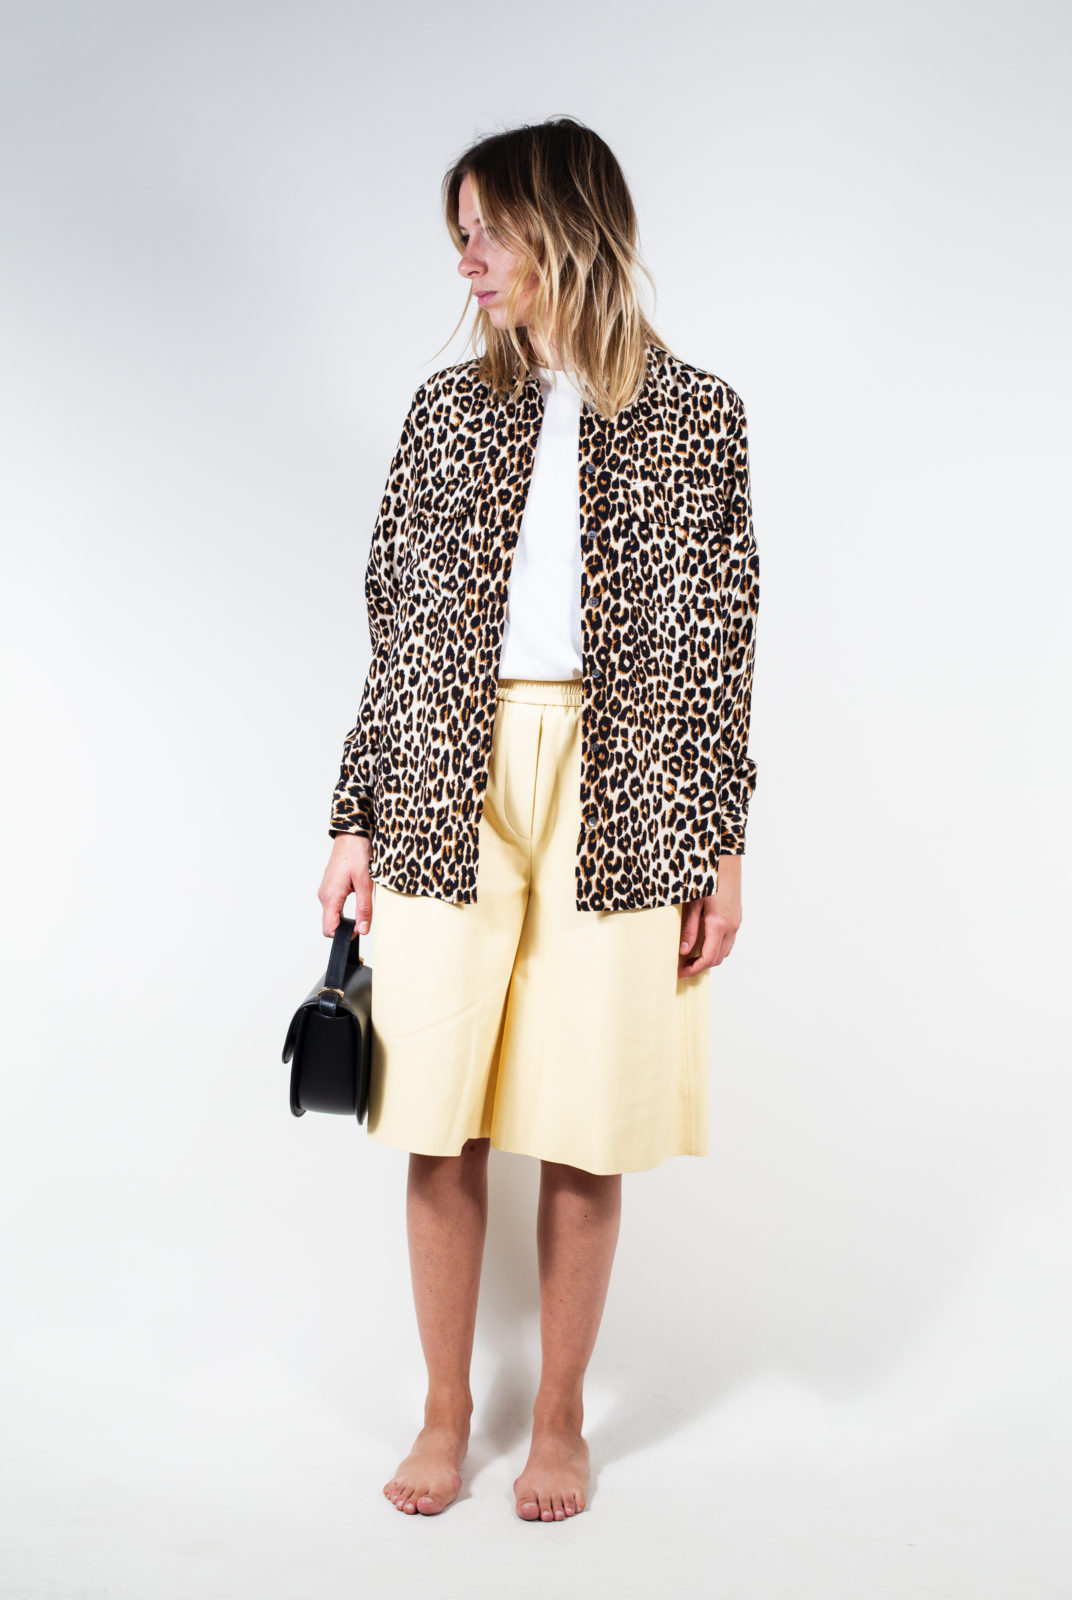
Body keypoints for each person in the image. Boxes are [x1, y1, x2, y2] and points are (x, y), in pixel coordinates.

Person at [317, 117, 760, 1524]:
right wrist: (354, 816)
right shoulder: (444, 412)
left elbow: (723, 646)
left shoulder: (698, 417)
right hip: (445, 766)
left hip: (626, 783)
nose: (466, 259)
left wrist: (721, 845)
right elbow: (392, 627)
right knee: (434, 1111)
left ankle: (559, 1416)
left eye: (487, 230)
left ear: (566, 226)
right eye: (458, 233)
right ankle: (446, 1410)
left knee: (589, 1111)